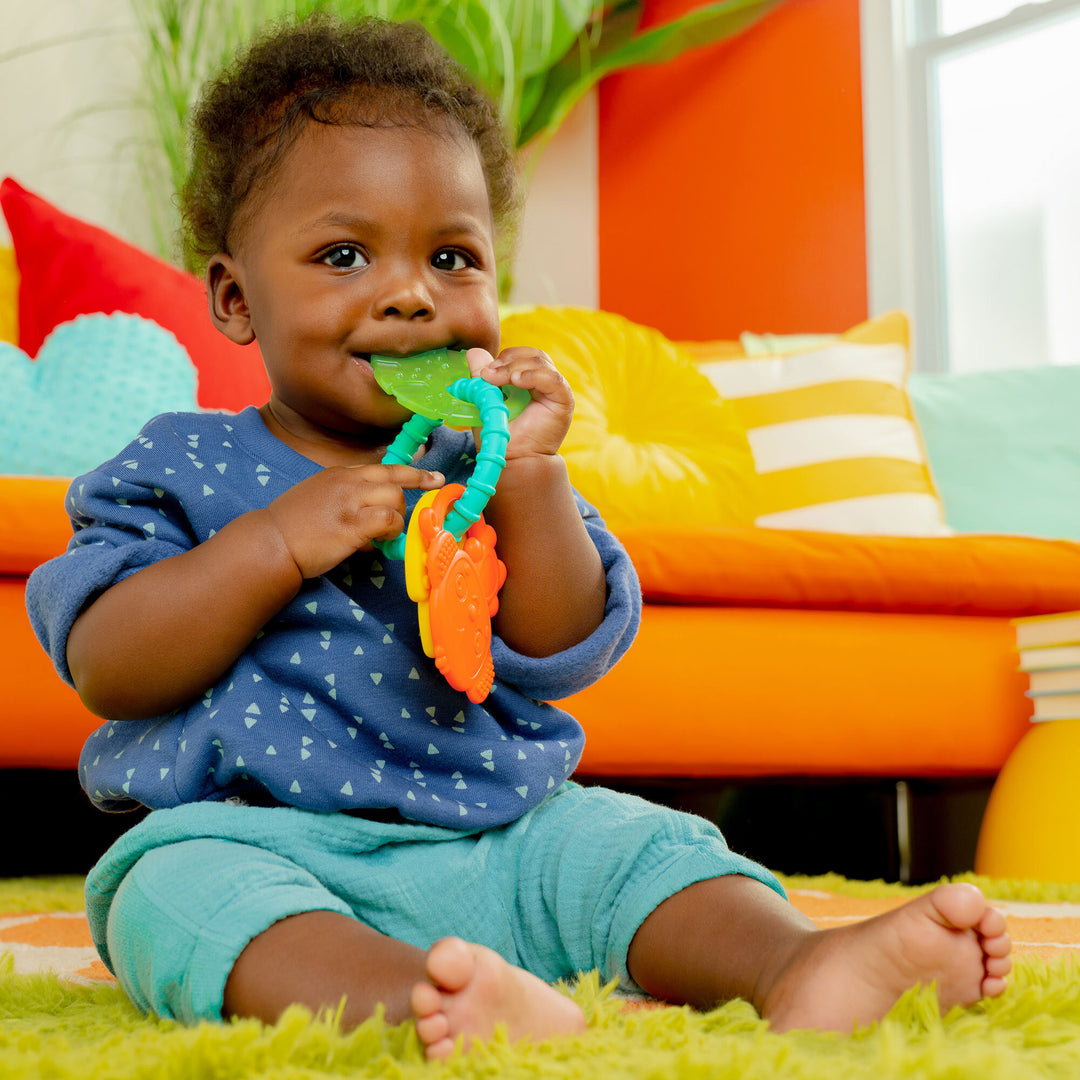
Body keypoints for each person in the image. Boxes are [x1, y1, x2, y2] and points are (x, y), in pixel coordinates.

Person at [27, 14, 1011, 1060]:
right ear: (235, 297)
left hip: (497, 836)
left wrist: (532, 477)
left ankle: (796, 964)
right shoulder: (179, 463)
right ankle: (416, 999)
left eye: (452, 256)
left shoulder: (482, 461)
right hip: (257, 841)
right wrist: (271, 546)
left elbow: (561, 643)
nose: (411, 291)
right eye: (346, 253)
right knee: (164, 899)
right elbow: (107, 663)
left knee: (638, 842)